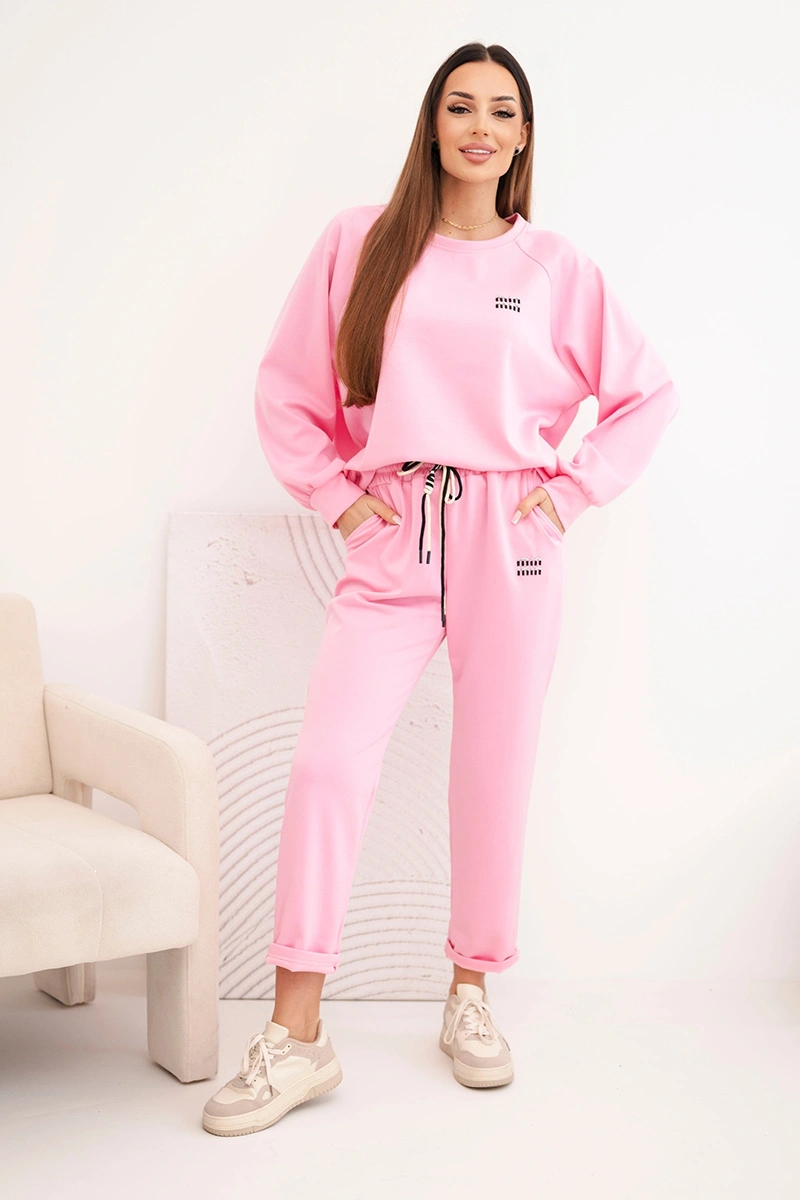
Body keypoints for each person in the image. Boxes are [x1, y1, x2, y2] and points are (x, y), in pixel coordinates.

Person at [202, 40, 680, 1136]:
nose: (479, 126)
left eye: (501, 111)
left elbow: (645, 395)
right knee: (326, 763)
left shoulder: (554, 267)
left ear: (522, 137)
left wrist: (568, 492)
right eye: (460, 106)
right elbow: (287, 389)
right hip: (395, 528)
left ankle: (470, 994)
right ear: (431, 124)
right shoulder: (361, 241)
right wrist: (339, 499)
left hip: (513, 536)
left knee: (492, 768)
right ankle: (296, 1033)